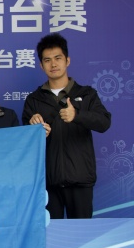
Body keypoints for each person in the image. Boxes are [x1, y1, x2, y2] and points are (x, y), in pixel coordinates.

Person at [23, 33, 111, 219]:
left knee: (82, 234)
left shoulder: (86, 94)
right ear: (41, 65)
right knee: (51, 234)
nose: (53, 64)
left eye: (58, 58)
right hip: (48, 181)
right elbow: (24, 141)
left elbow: (104, 122)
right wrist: (33, 130)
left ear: (67, 61)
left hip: (80, 179)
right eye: (47, 60)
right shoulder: (33, 100)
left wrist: (77, 115)